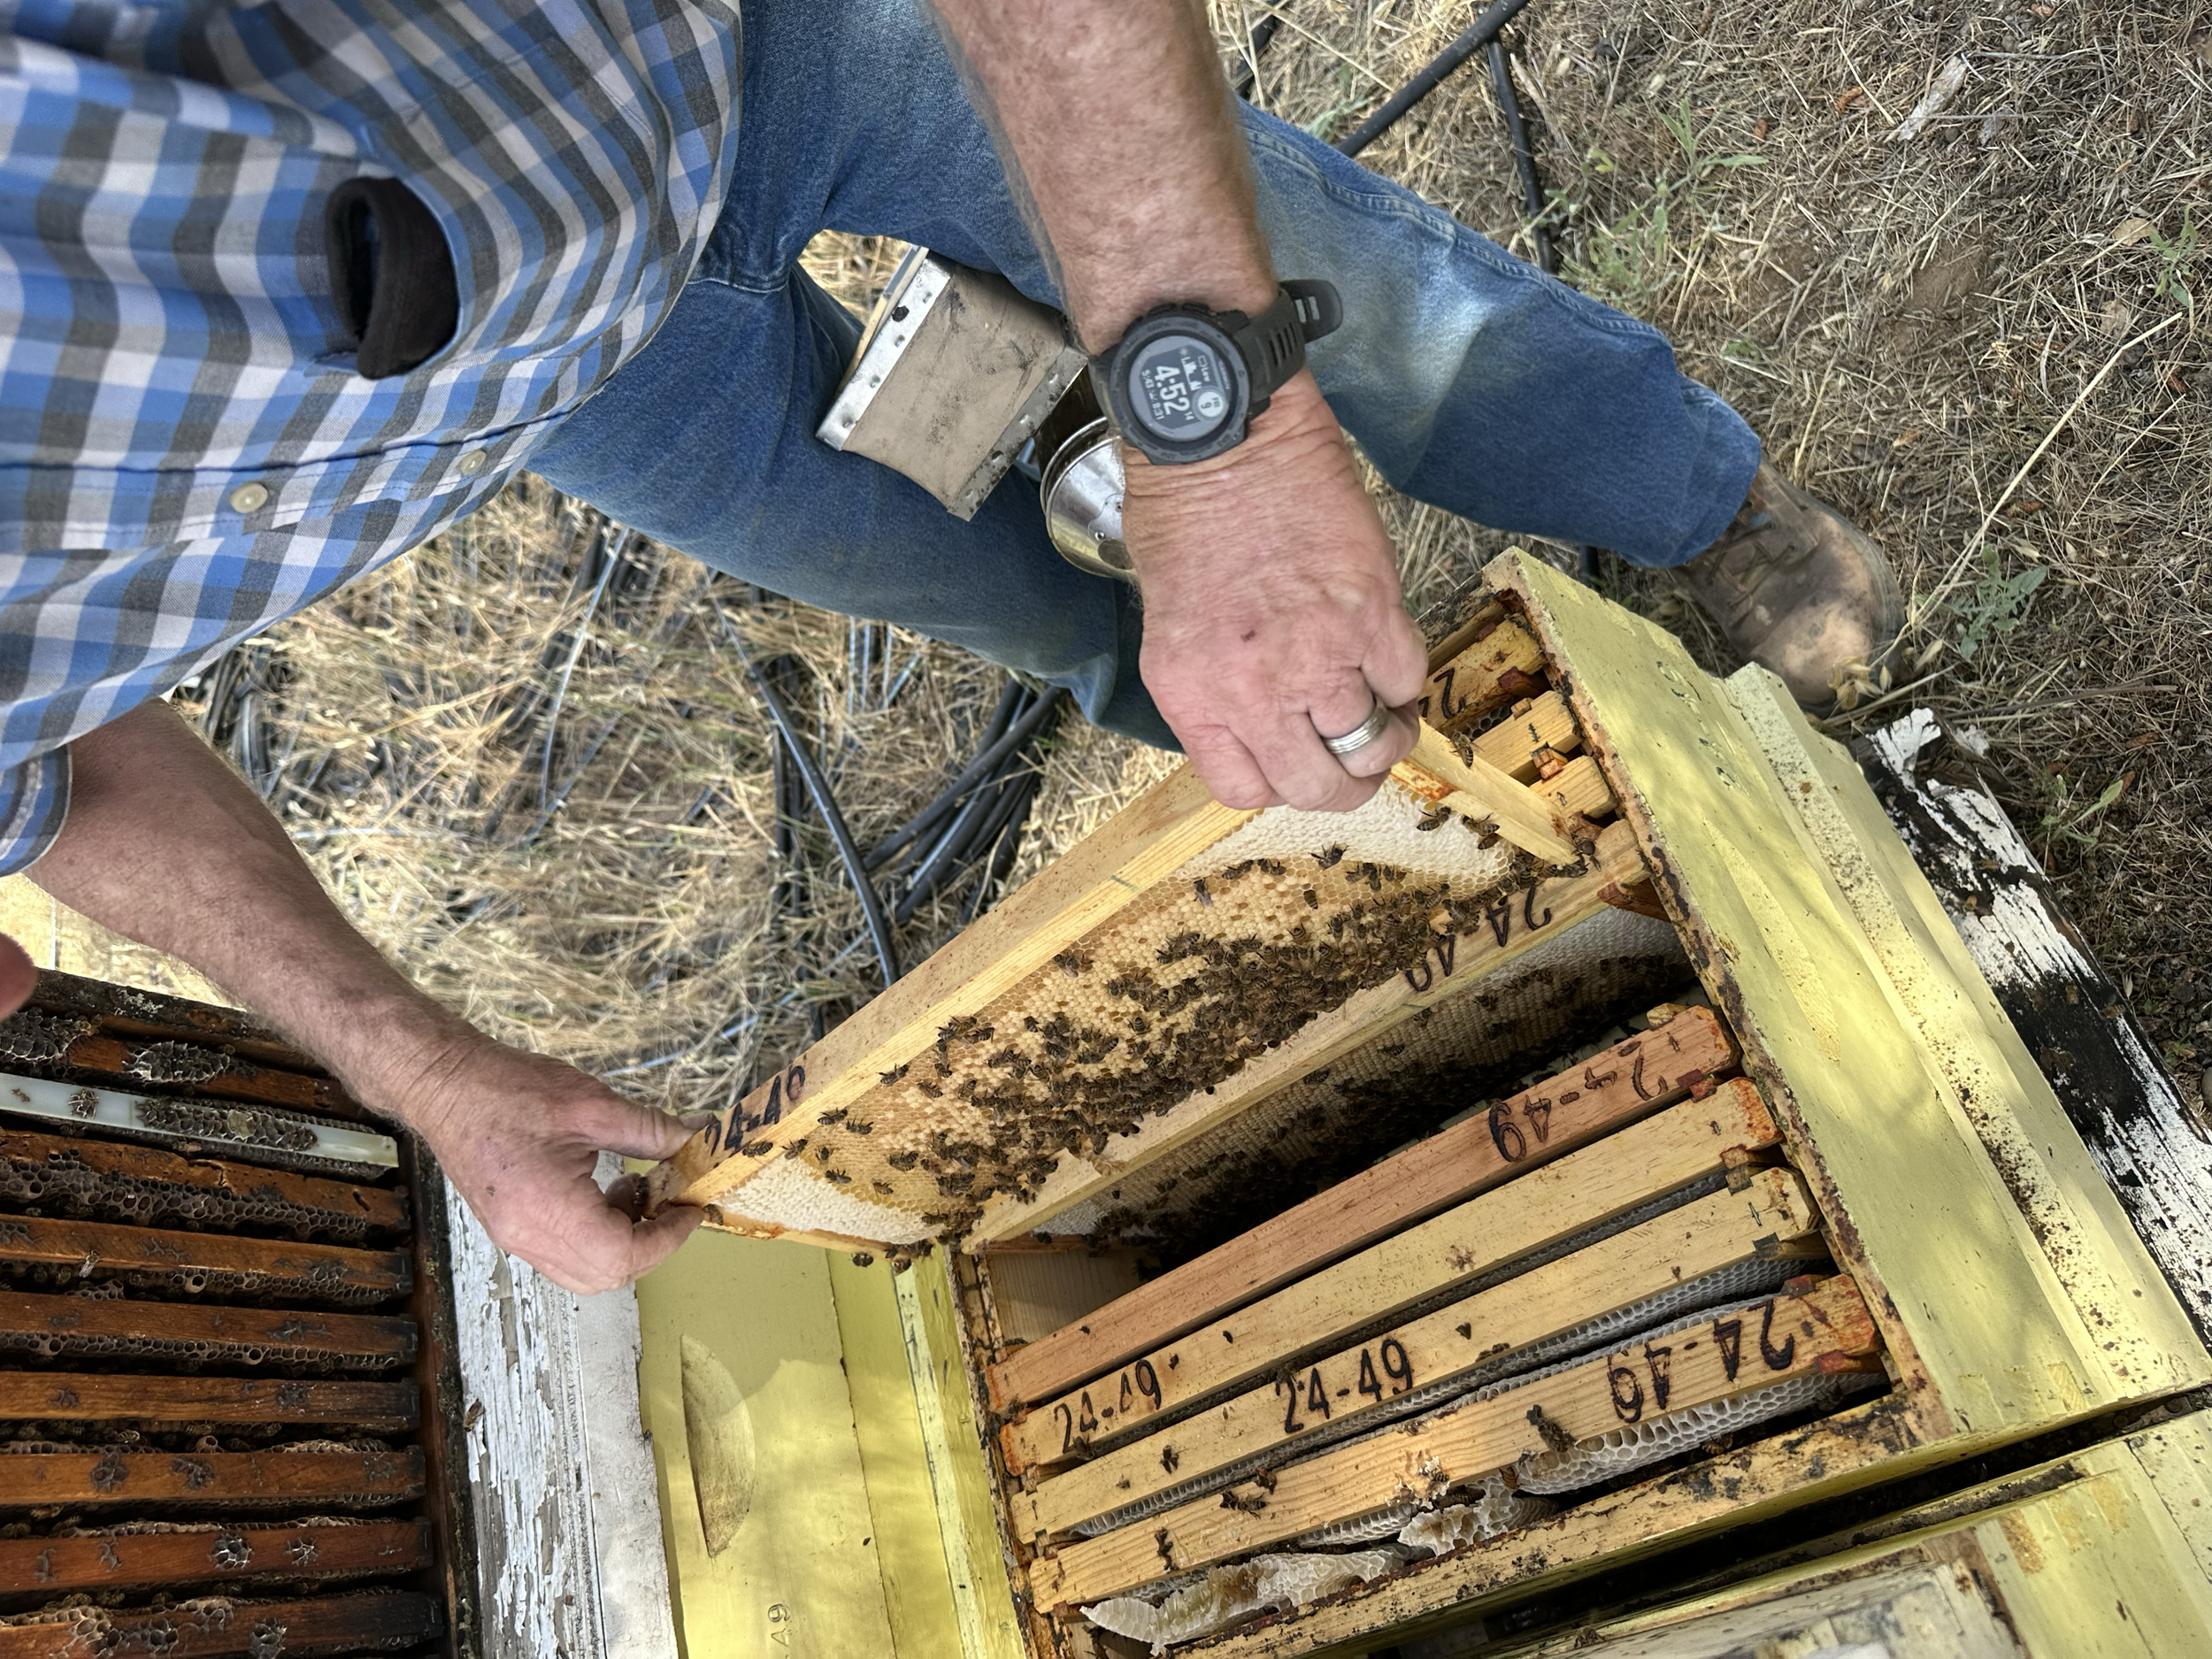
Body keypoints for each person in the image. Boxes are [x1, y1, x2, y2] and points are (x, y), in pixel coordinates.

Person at [0, 0, 1899, 1294]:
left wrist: (1218, 446)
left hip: (694, 45)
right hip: (549, 393)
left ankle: (1703, 508)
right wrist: (419, 1069)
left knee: (1317, 305)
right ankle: (1406, 836)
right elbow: (57, 777)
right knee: (1008, 596)